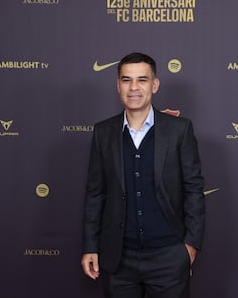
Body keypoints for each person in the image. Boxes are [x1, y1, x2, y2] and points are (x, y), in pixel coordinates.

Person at [81, 52, 205, 298]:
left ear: (155, 85)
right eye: (126, 80)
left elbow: (193, 190)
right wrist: (90, 246)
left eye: (142, 80)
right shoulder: (103, 132)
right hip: (118, 259)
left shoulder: (179, 130)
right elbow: (96, 193)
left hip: (169, 256)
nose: (134, 87)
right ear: (118, 86)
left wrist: (190, 246)